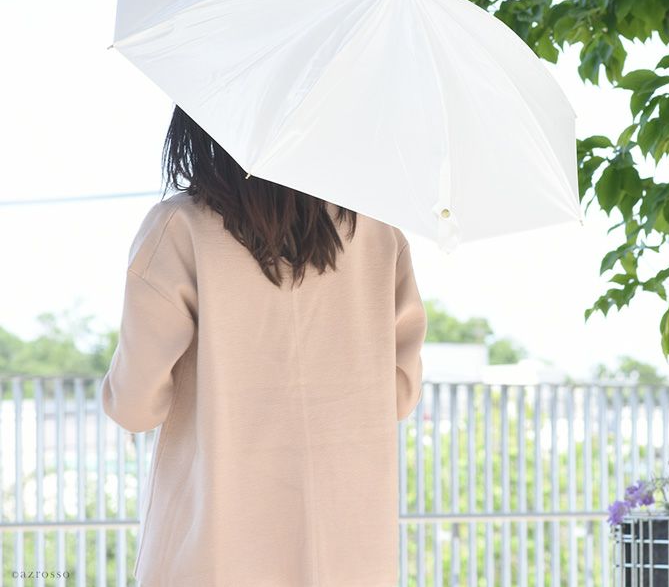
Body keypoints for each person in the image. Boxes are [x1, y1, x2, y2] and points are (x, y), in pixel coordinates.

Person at [100, 105, 428, 587]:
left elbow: (134, 407)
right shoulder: (380, 234)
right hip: (349, 554)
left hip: (214, 552)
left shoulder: (179, 228)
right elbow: (398, 395)